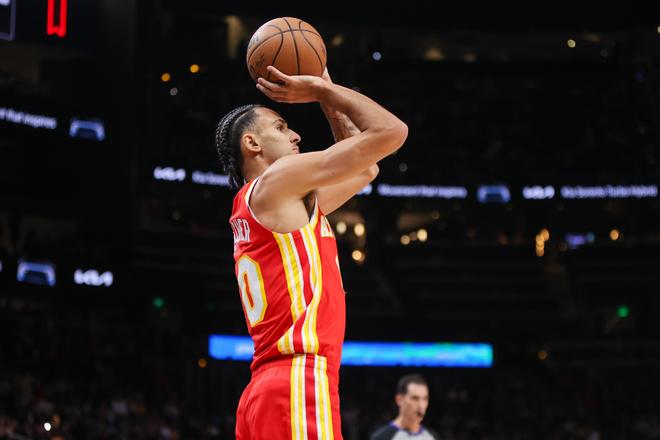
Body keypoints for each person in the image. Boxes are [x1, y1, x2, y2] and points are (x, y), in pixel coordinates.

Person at [215, 65, 408, 440]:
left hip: (265, 389)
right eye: (280, 127)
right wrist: (322, 90)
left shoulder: (272, 203)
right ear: (252, 144)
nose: (295, 135)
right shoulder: (276, 180)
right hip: (296, 381)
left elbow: (366, 168)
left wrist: (329, 97)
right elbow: (392, 131)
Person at [370, 374, 438, 440]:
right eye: (415, 398)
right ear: (399, 400)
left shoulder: (432, 436)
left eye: (425, 399)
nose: (421, 405)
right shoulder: (383, 437)